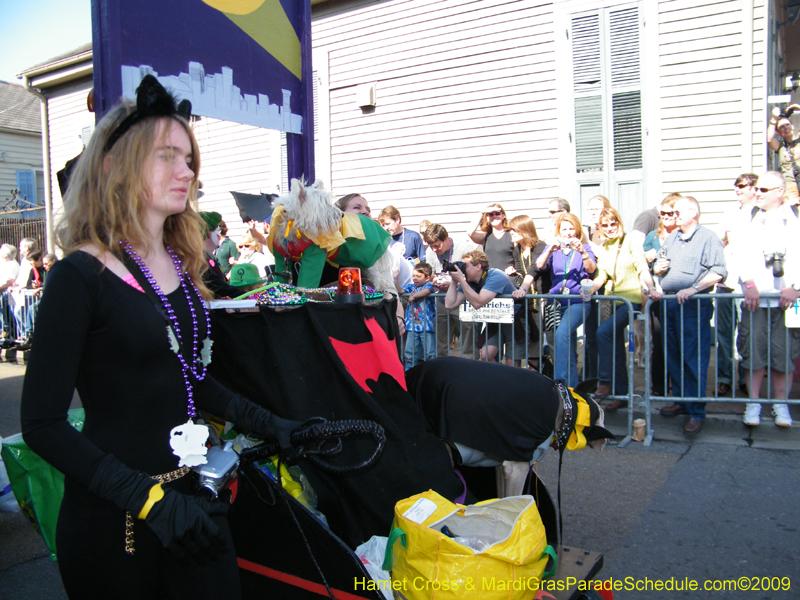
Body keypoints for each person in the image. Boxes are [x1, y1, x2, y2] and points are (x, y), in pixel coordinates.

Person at [19, 75, 305, 599]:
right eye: (167, 156)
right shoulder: (79, 276)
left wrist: (274, 424)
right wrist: (147, 500)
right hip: (118, 525)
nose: (186, 171)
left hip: (196, 504)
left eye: (190, 158)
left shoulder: (181, 263)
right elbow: (41, 424)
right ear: (114, 164)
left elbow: (189, 380)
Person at [654, 196, 726, 435]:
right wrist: (658, 275)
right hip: (671, 304)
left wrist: (694, 288)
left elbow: (718, 271)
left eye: (678, 212)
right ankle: (682, 400)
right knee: (673, 355)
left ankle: (696, 411)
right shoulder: (673, 237)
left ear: (693, 212)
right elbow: (662, 267)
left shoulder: (708, 238)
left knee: (694, 357)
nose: (673, 215)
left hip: (694, 307)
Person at [736, 171, 799, 428]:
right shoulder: (748, 216)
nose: (757, 193)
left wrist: (796, 288)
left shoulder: (794, 218)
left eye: (763, 189)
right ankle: (754, 404)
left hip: (788, 302)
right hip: (756, 300)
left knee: (783, 356)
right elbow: (740, 253)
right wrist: (749, 283)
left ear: (779, 192)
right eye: (756, 189)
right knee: (754, 353)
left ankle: (781, 406)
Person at [588, 208, 661, 409]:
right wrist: (590, 289)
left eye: (613, 223)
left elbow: (641, 266)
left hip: (631, 300)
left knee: (603, 333)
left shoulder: (631, 241)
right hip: (613, 301)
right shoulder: (605, 247)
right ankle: (622, 395)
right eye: (605, 225)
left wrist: (652, 287)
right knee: (617, 348)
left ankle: (604, 382)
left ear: (619, 223)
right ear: (600, 228)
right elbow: (602, 275)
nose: (610, 228)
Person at [536, 212, 597, 386]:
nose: (568, 232)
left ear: (577, 230)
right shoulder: (553, 249)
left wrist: (583, 252)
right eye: (564, 229)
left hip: (577, 301)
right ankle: (572, 388)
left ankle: (560, 382)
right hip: (556, 303)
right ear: (559, 231)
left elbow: (591, 270)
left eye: (571, 229)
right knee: (565, 345)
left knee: (562, 334)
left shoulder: (586, 248)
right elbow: (540, 265)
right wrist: (550, 249)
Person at [715, 174, 758, 396]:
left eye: (742, 186)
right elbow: (720, 242)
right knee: (723, 334)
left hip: (748, 286)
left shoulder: (760, 215)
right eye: (736, 186)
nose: (738, 190)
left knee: (746, 334)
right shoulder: (730, 213)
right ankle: (724, 378)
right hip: (726, 283)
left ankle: (745, 376)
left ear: (754, 188)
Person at [444, 249, 523, 363]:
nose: (462, 269)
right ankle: (498, 379)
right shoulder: (469, 283)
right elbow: (449, 304)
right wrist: (454, 280)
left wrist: (461, 280)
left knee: (511, 361)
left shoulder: (495, 276)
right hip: (495, 321)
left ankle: (508, 379)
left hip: (514, 320)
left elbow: (478, 303)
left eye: (465, 265)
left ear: (478, 266)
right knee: (486, 355)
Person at [642, 193, 682, 395]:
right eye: (662, 212)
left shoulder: (683, 236)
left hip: (679, 296)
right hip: (657, 296)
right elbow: (642, 266)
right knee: (658, 342)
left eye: (670, 213)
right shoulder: (652, 237)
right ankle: (658, 387)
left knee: (678, 343)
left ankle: (679, 387)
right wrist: (649, 262)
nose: (665, 216)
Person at [423, 223, 475, 358]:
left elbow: (473, 276)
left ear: (446, 238)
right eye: (431, 246)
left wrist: (454, 283)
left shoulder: (465, 249)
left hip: (462, 298)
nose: (434, 249)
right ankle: (443, 365)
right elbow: (431, 273)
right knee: (441, 335)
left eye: (437, 245)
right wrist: (434, 279)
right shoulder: (430, 252)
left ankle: (470, 366)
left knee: (467, 334)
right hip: (442, 299)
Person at [509, 215, 549, 367]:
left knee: (538, 339)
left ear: (524, 230)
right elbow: (522, 271)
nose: (511, 233)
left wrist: (523, 288)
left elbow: (535, 270)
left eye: (514, 230)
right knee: (532, 336)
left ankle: (537, 375)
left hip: (541, 298)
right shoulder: (517, 249)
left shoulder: (540, 246)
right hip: (529, 300)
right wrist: (514, 273)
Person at [199, 211, 242, 299]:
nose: (219, 234)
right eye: (217, 230)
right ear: (208, 232)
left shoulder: (211, 257)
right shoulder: (200, 260)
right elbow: (219, 288)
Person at [402, 262, 437, 369]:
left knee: (430, 353)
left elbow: (427, 291)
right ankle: (409, 373)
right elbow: (400, 290)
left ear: (427, 278)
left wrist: (414, 296)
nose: (415, 278)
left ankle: (431, 373)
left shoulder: (429, 285)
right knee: (410, 353)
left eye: (418, 276)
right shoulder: (411, 287)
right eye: (414, 276)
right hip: (412, 326)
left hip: (426, 326)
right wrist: (396, 277)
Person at [767, 105, 800, 205]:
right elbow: (770, 139)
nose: (786, 128)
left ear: (792, 126)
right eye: (782, 127)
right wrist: (774, 119)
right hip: (791, 185)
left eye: (787, 125)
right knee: (793, 210)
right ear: (778, 132)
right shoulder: (780, 146)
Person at [467, 204, 515, 271]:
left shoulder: (512, 235)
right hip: (491, 276)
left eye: (497, 213)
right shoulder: (485, 237)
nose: (494, 216)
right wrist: (482, 212)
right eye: (491, 214)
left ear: (503, 216)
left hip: (509, 276)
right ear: (487, 217)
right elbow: (470, 232)